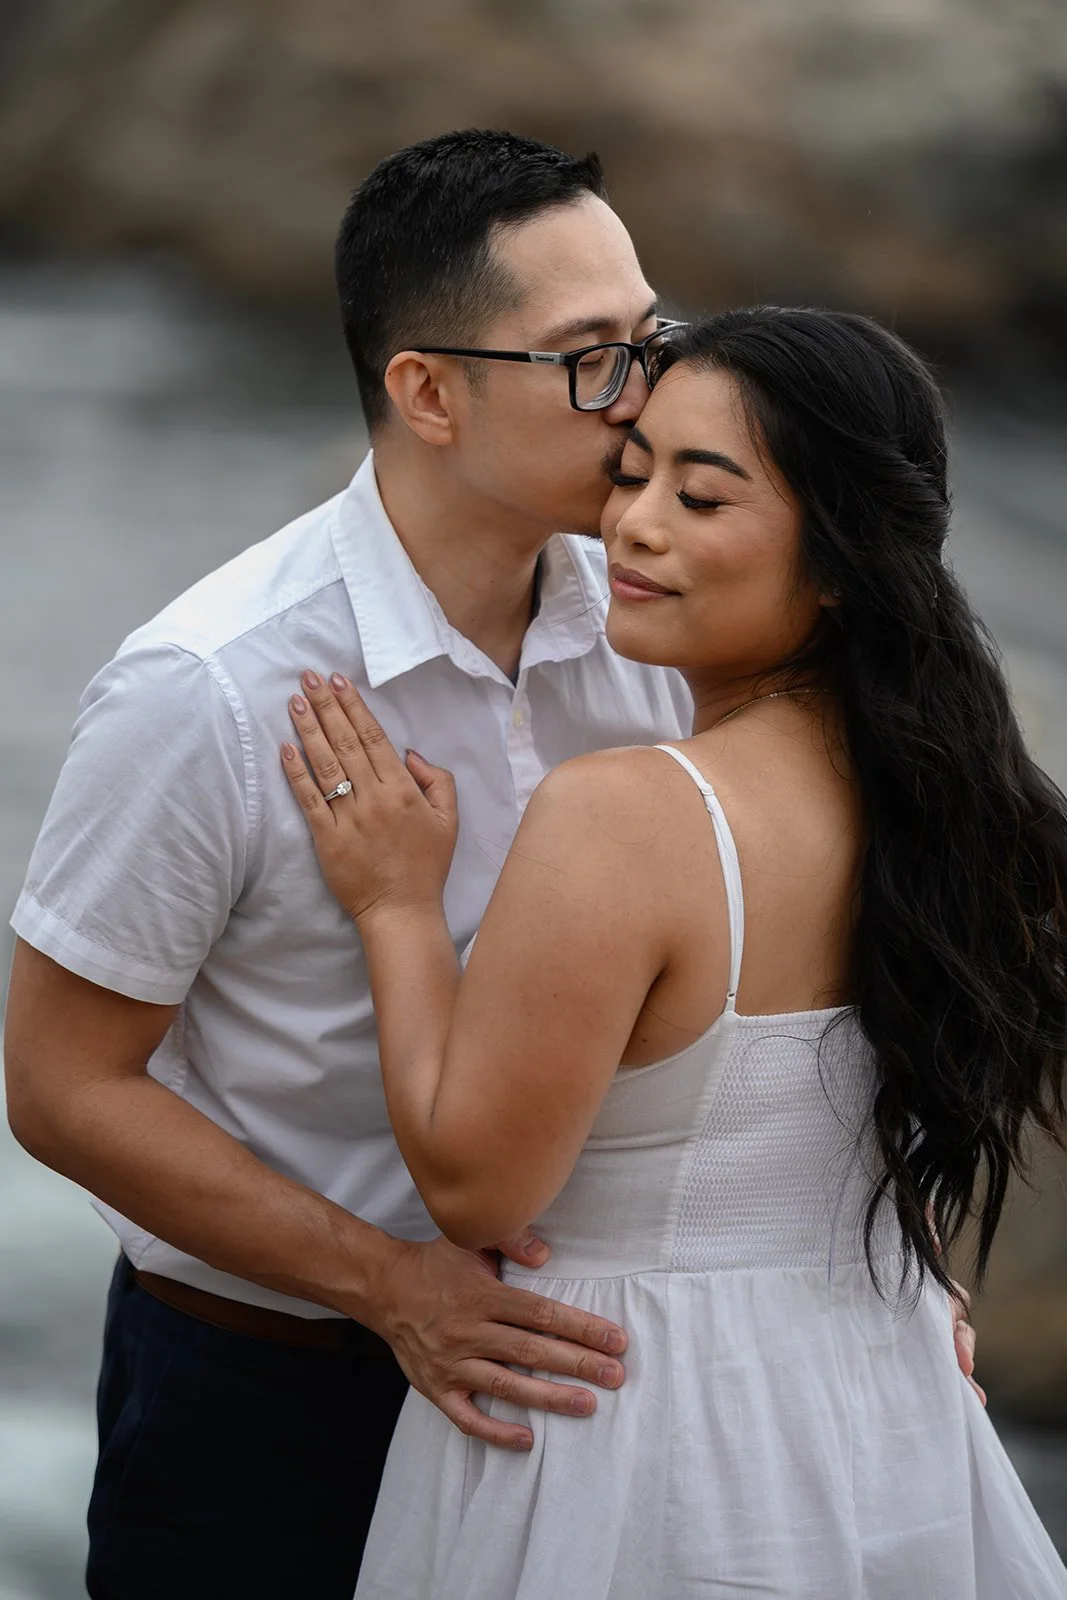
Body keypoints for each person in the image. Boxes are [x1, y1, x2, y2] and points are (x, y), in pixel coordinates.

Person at [2, 131, 976, 1596]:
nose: (642, 393)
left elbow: (785, 980)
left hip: (604, 1392)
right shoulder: (209, 687)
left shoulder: (659, 611)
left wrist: (873, 1261)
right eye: (589, 355)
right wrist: (388, 1286)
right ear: (427, 392)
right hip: (274, 1390)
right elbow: (61, 1085)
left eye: (649, 338)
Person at [279, 308, 1067, 1599]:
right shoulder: (945, 799)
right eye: (632, 472)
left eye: (702, 498)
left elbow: (477, 1186)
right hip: (873, 1406)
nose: (635, 525)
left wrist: (396, 907)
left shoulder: (629, 815)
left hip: (626, 1424)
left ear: (838, 558)